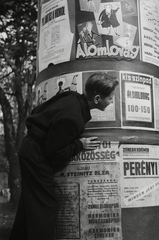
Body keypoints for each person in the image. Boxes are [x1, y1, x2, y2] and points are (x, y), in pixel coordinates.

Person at [9, 72, 119, 240]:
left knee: (30, 204)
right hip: (36, 155)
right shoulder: (73, 118)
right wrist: (79, 145)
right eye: (110, 98)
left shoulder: (72, 97)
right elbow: (54, 153)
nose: (112, 102)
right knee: (45, 207)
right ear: (97, 99)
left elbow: (39, 111)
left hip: (29, 147)